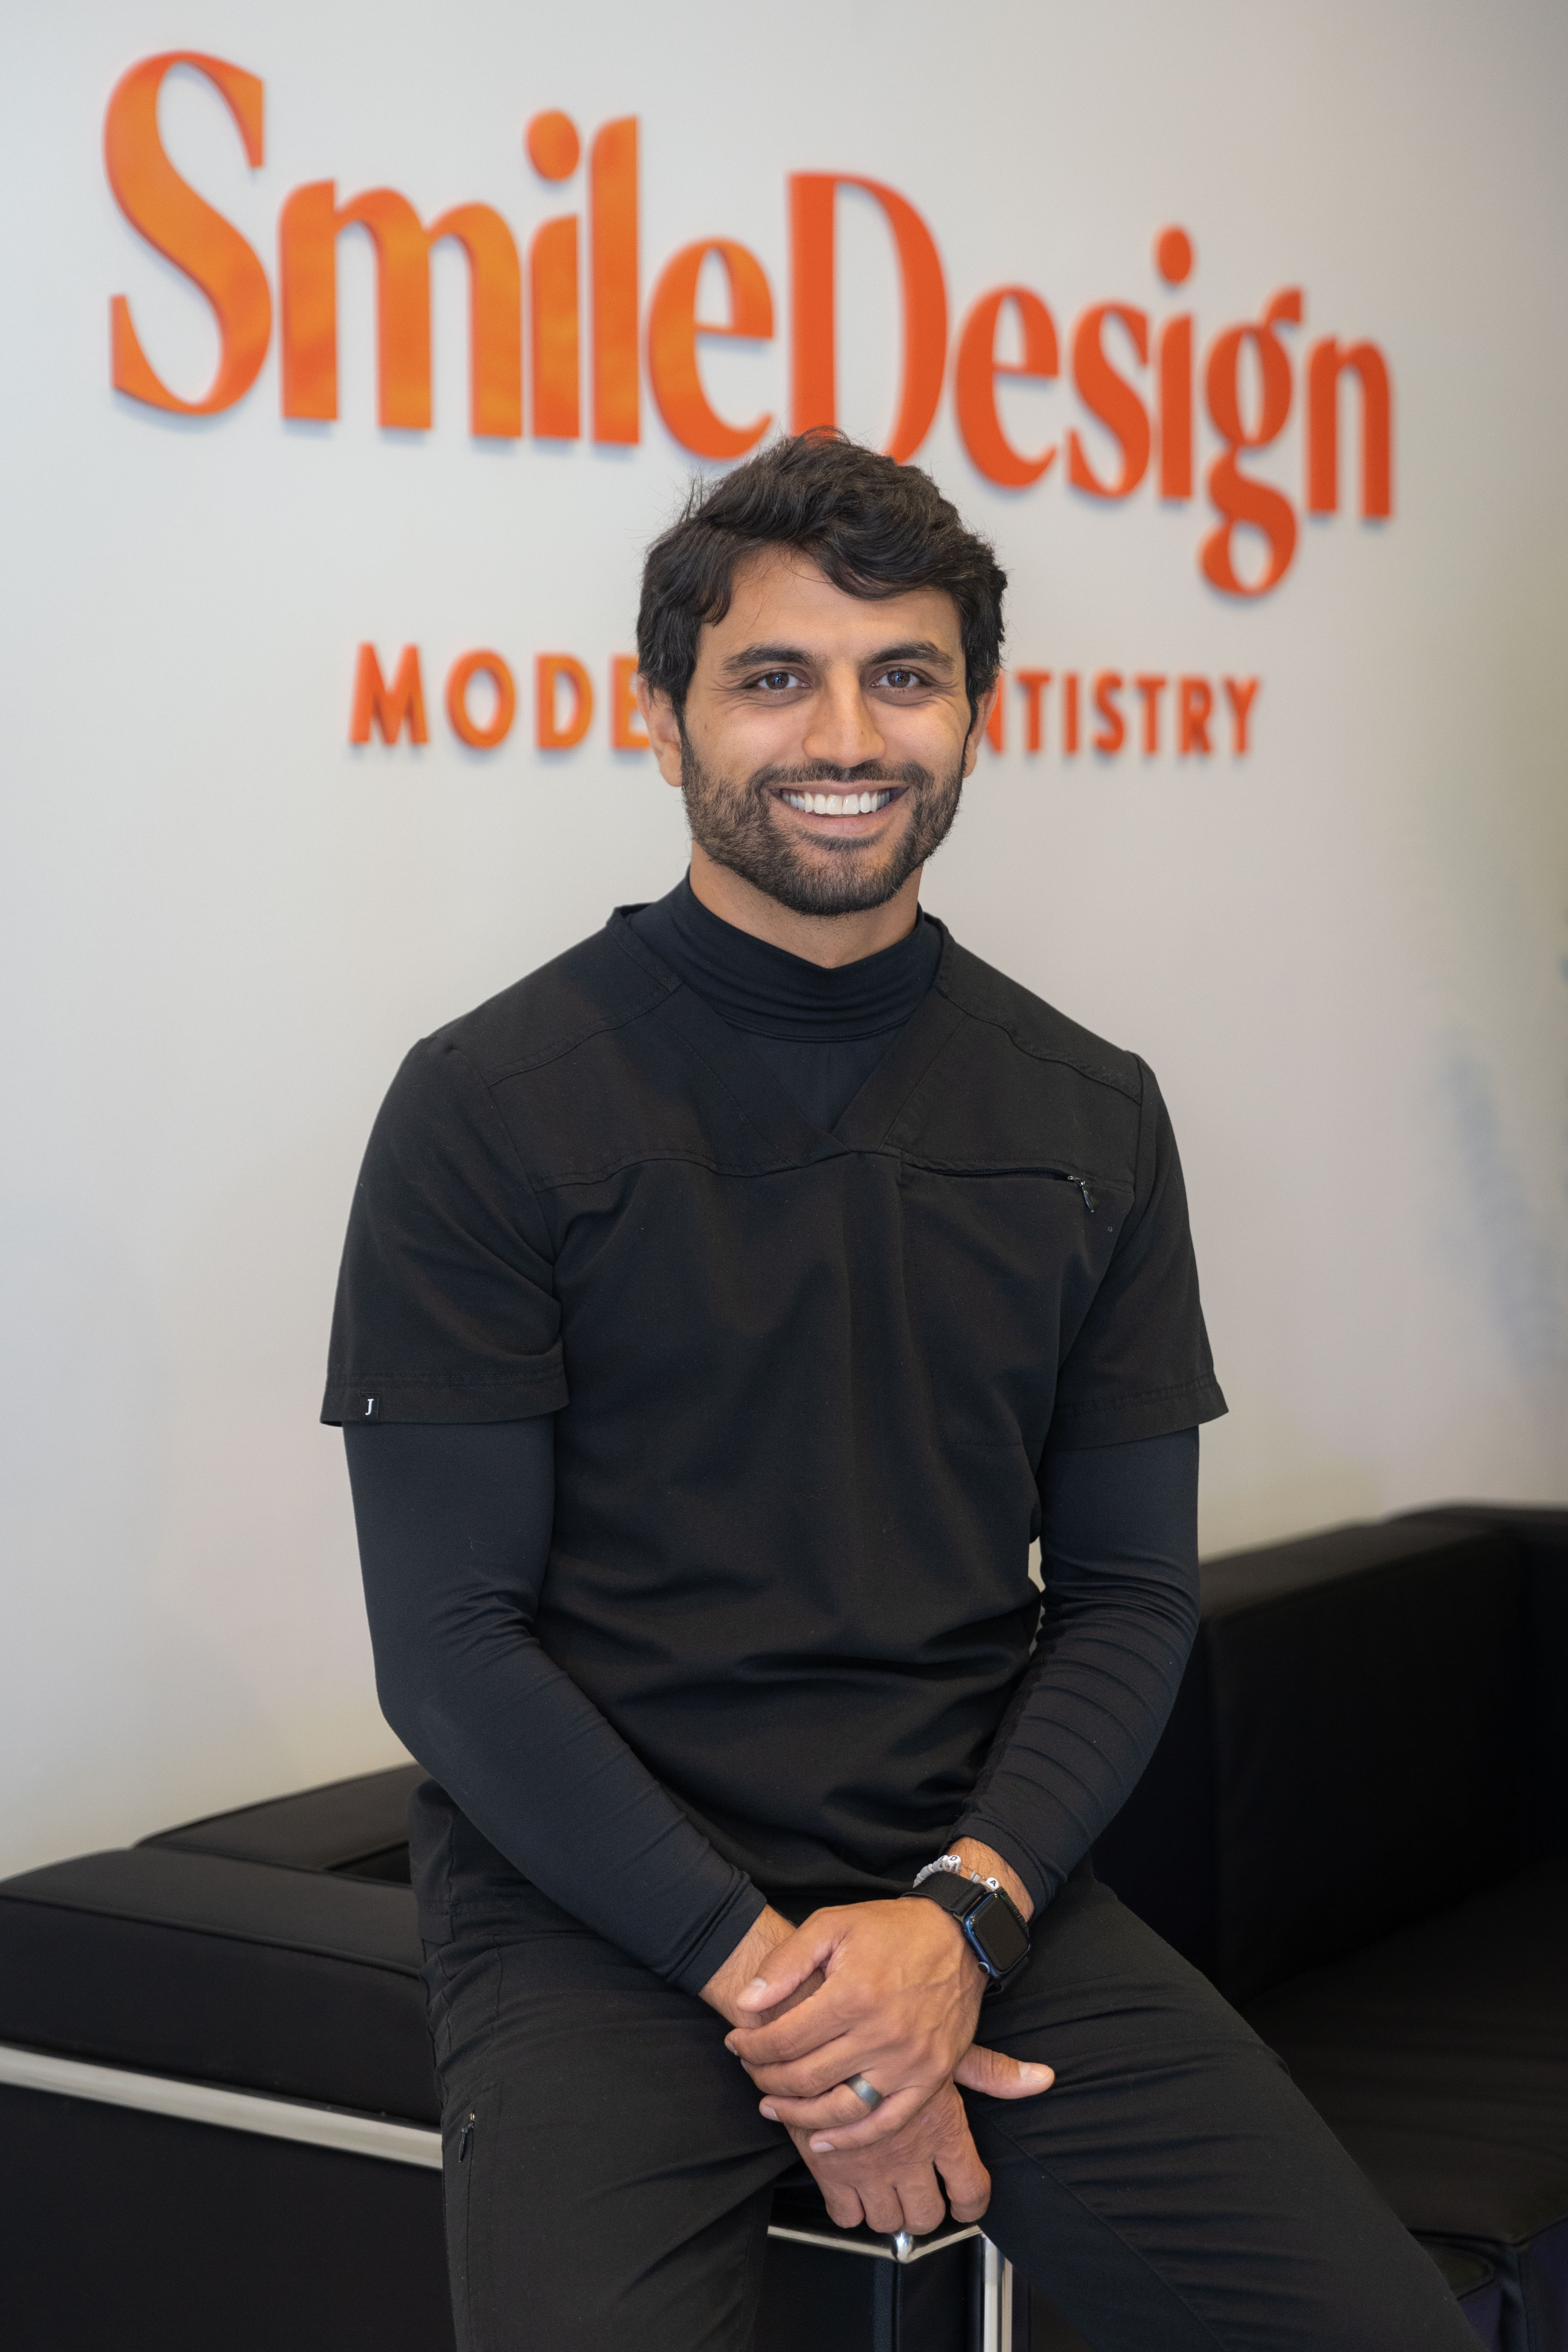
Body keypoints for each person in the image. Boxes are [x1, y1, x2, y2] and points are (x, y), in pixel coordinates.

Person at [324, 433, 1476, 2351]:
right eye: (774, 677)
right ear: (664, 719)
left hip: (975, 1885)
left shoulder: (1088, 1111)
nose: (845, 735)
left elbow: (1127, 1594)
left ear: (972, 718)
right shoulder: (489, 1105)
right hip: (599, 1918)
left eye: (903, 676)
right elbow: (447, 1647)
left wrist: (957, 1923)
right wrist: (791, 1993)